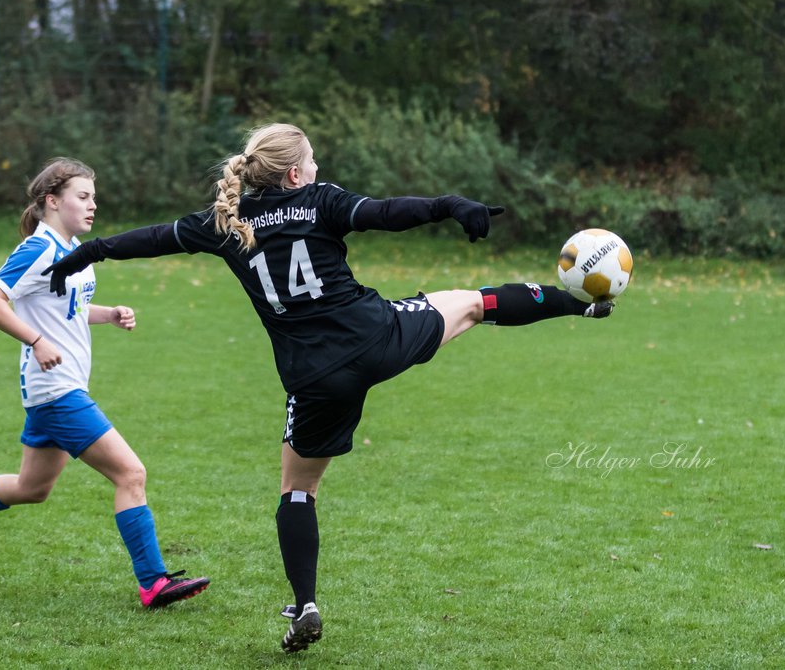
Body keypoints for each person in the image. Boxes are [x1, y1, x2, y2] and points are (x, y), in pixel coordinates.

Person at [40, 123, 614, 652]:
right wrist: (450, 207)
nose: (316, 169)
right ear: (294, 174)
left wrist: (87, 252)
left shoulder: (224, 223)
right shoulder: (319, 201)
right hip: (376, 338)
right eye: (311, 161)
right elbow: (389, 213)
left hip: (313, 378)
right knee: (471, 303)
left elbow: (150, 239)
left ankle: (305, 605)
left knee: (298, 488)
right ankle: (578, 306)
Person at [0, 157, 209, 610]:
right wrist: (35, 340)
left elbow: (65, 306)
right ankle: (153, 582)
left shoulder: (73, 252)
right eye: (83, 196)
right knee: (131, 473)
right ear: (52, 201)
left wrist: (108, 313)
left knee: (32, 488)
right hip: (57, 390)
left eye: (94, 197)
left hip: (56, 389)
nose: (93, 205)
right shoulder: (37, 249)